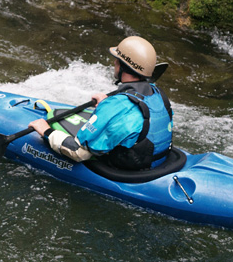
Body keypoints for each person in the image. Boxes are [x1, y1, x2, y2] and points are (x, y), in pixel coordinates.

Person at [28, 35, 173, 171]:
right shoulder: (157, 93)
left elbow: (77, 152)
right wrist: (107, 103)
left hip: (131, 168)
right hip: (157, 160)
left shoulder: (117, 106)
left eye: (116, 60)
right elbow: (137, 116)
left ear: (121, 65)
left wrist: (45, 130)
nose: (114, 63)